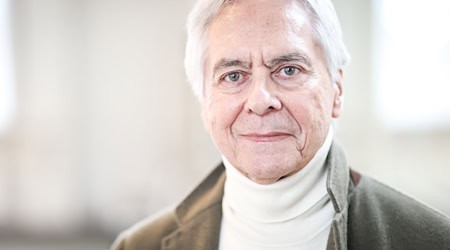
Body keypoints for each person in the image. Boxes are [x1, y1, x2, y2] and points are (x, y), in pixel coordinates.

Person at [111, 0, 450, 249]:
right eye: (233, 75)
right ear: (204, 104)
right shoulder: (140, 245)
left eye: (288, 69)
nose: (260, 100)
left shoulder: (430, 240)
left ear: (337, 90)